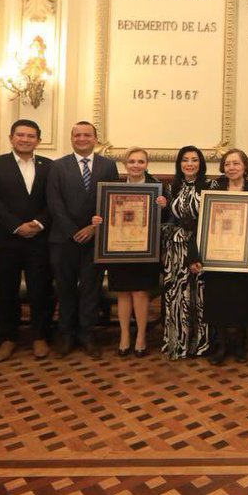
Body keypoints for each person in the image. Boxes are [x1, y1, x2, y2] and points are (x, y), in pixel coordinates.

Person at [0, 119, 55, 362]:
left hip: (39, 239)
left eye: (31, 136)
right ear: (11, 138)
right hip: (5, 239)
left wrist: (38, 224)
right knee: (6, 292)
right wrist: (15, 226)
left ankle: (40, 337)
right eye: (20, 135)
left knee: (40, 290)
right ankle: (8, 338)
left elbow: (54, 201)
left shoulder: (50, 167)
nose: (25, 139)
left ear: (38, 140)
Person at [47, 121, 119, 357]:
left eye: (87, 135)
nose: (82, 138)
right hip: (63, 239)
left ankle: (88, 334)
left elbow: (113, 201)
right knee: (65, 289)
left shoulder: (108, 166)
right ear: (71, 138)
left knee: (91, 289)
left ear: (95, 138)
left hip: (95, 239)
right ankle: (66, 335)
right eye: (77, 135)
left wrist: (91, 229)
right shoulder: (57, 166)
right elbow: (54, 203)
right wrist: (73, 231)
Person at [92, 148, 166, 357]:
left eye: (140, 161)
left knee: (141, 293)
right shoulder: (112, 189)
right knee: (123, 293)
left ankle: (141, 336)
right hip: (120, 249)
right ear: (125, 165)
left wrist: (164, 205)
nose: (136, 165)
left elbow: (168, 219)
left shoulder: (158, 188)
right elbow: (105, 216)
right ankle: (124, 335)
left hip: (145, 251)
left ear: (146, 164)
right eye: (131, 161)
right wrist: (98, 220)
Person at [204, 148, 248, 365]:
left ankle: (239, 345)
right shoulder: (213, 190)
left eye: (236, 163)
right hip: (218, 254)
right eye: (228, 164)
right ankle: (221, 345)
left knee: (242, 299)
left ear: (245, 166)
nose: (232, 168)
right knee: (219, 299)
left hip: (246, 255)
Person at [163, 145, 212, 360]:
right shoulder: (171, 187)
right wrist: (162, 207)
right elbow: (168, 220)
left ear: (200, 164)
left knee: (199, 296)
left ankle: (200, 342)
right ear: (179, 164)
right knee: (178, 296)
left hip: (200, 247)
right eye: (185, 160)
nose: (189, 164)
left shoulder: (210, 186)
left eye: (194, 160)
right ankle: (178, 341)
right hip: (176, 251)